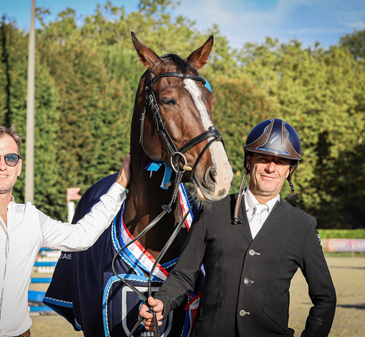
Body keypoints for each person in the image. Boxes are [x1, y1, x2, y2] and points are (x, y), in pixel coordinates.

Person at [0, 124, 131, 337]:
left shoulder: (31, 218)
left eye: (10, 158)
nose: (2, 166)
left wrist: (120, 185)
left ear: (18, 167)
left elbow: (81, 236)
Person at [139, 118, 336, 337]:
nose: (271, 168)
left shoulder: (303, 226)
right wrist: (162, 303)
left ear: (289, 170)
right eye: (264, 159)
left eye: (280, 162)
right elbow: (184, 275)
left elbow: (325, 297)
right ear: (249, 162)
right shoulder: (212, 211)